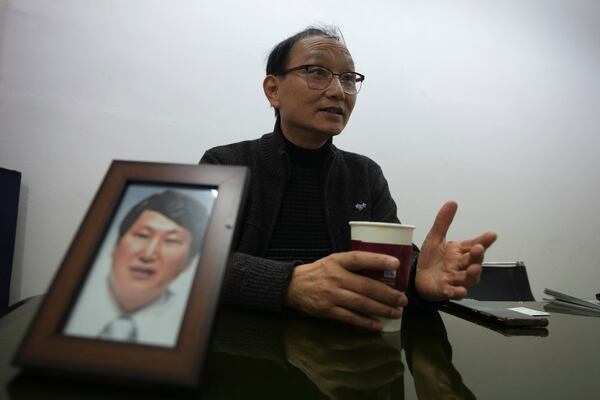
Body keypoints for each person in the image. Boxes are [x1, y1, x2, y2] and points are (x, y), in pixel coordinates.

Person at [201, 26, 497, 332]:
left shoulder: (364, 174)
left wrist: (417, 279)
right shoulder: (226, 164)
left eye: (348, 79)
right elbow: (195, 264)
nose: (338, 91)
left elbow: (390, 263)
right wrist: (288, 284)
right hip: (242, 352)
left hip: (346, 358)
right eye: (317, 72)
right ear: (273, 90)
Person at [64, 189, 208, 346]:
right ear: (116, 245)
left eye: (171, 241)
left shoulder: (191, 328)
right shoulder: (69, 301)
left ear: (189, 262)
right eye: (142, 235)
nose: (148, 254)